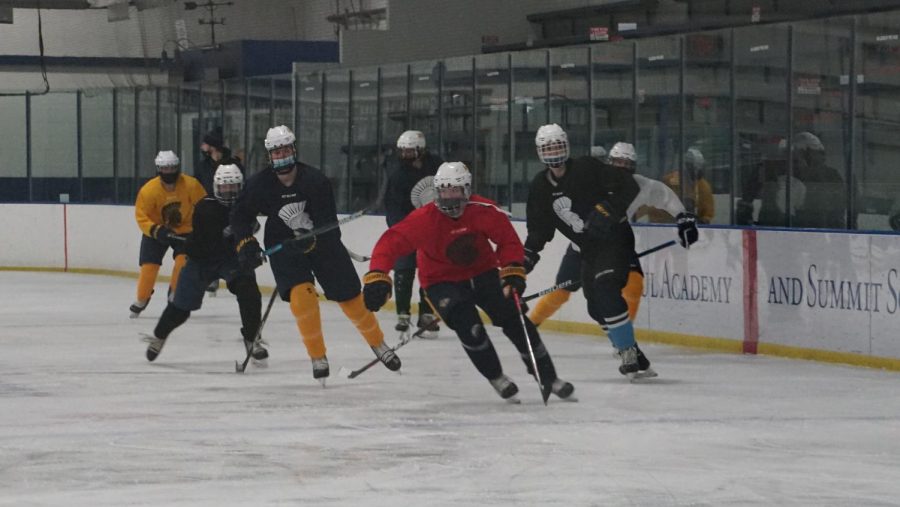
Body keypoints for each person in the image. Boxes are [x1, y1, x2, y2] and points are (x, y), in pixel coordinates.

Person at [362, 161, 575, 402]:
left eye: (455, 191)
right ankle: (496, 377)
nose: (449, 197)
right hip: (441, 282)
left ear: (467, 190)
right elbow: (389, 245)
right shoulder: (423, 219)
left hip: (484, 274)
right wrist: (378, 276)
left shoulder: (483, 209)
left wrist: (513, 269)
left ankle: (548, 377)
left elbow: (508, 241)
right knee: (470, 328)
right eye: (444, 191)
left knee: (517, 322)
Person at [229, 125, 400, 385]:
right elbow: (240, 216)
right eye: (276, 152)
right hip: (282, 242)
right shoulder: (258, 185)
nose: (282, 155)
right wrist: (247, 244)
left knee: (350, 297)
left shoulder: (315, 180)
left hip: (322, 242)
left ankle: (378, 343)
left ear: (294, 149)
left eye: (286, 149)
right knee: (302, 298)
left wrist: (310, 241)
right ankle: (317, 356)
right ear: (269, 156)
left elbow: (328, 225)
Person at [524, 125, 698, 379]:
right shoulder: (540, 186)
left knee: (608, 288)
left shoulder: (588, 168)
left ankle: (626, 350)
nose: (621, 167)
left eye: (557, 146)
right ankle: (633, 352)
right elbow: (539, 228)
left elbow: (648, 191)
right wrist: (526, 256)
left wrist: (683, 217)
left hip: (615, 239)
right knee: (595, 307)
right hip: (587, 249)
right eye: (548, 148)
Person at [141, 164, 267, 364]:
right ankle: (159, 336)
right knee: (180, 309)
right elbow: (207, 243)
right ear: (217, 187)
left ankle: (252, 338)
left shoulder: (246, 206)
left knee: (248, 291)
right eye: (225, 188)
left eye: (233, 187)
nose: (229, 192)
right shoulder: (204, 208)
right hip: (201, 260)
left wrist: (250, 249)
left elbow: (249, 230)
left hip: (231, 259)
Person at [130, 150, 207, 318]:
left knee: (183, 262)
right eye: (165, 169)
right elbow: (141, 216)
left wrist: (203, 229)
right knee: (149, 265)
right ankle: (142, 298)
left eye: (172, 168)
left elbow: (205, 207)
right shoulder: (149, 191)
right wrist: (156, 230)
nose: (169, 172)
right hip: (156, 231)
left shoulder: (191, 185)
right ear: (159, 169)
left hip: (186, 231)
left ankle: (175, 295)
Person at [383, 130, 443, 337]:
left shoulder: (437, 166)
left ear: (421, 149)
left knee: (430, 272)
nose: (405, 155)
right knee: (404, 269)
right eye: (403, 151)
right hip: (409, 228)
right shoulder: (398, 176)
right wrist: (400, 231)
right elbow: (393, 207)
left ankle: (426, 314)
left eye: (410, 151)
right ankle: (403, 315)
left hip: (434, 227)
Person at [196, 128, 245, 296]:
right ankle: (213, 275)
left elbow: (241, 182)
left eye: (205, 143)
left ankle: (238, 275)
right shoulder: (203, 165)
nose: (202, 146)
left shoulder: (232, 163)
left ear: (213, 146)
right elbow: (198, 185)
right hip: (211, 209)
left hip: (231, 207)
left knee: (231, 239)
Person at [637, 147, 714, 224]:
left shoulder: (703, 186)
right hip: (663, 223)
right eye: (694, 167)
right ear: (687, 166)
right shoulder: (671, 180)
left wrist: (703, 221)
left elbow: (707, 212)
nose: (697, 171)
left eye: (699, 168)